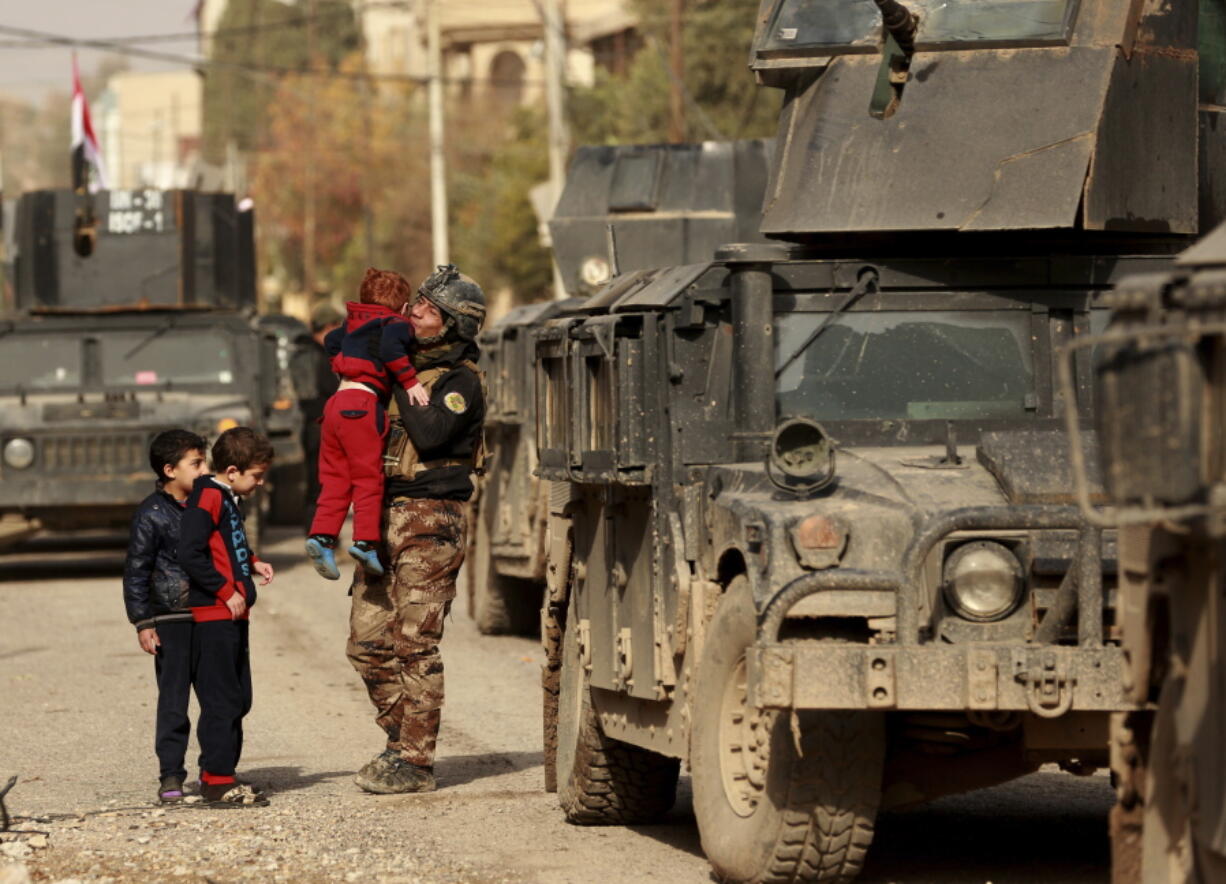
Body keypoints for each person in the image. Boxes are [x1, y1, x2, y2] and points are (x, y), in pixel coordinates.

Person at [347, 264, 486, 795]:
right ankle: (398, 739)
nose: (412, 314)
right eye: (413, 305)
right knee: (366, 644)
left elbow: (429, 435)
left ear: (451, 326)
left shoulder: (460, 383)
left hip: (432, 520)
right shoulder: (394, 370)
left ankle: (416, 761)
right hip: (382, 515)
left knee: (414, 644)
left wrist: (399, 370)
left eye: (426, 310)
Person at [305, 268, 429, 580]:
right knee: (367, 479)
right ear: (402, 308)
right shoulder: (395, 324)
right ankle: (365, 542)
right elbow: (390, 350)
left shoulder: (352, 323)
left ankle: (321, 537)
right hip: (362, 405)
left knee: (335, 478)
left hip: (335, 405)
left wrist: (341, 365)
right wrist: (410, 381)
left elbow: (332, 341)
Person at [178, 427, 276, 808]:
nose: (261, 481)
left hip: (234, 615)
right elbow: (190, 552)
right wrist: (225, 590)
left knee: (239, 697)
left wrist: (252, 563)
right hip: (213, 615)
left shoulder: (227, 497)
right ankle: (217, 782)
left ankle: (218, 771)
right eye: (257, 474)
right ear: (233, 470)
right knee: (221, 699)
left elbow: (229, 543)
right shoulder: (207, 497)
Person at [122, 429, 210, 804]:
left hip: (210, 617)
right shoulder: (150, 514)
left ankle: (216, 770)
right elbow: (136, 571)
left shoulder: (210, 504)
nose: (206, 469)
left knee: (218, 700)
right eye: (197, 463)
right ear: (170, 470)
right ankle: (170, 773)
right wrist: (143, 622)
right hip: (170, 621)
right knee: (173, 701)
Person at [293, 302, 343, 535]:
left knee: (331, 486)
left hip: (327, 428)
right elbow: (308, 398)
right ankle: (319, 537)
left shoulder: (324, 353)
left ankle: (325, 537)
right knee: (320, 486)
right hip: (317, 430)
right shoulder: (307, 355)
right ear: (327, 327)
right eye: (337, 326)